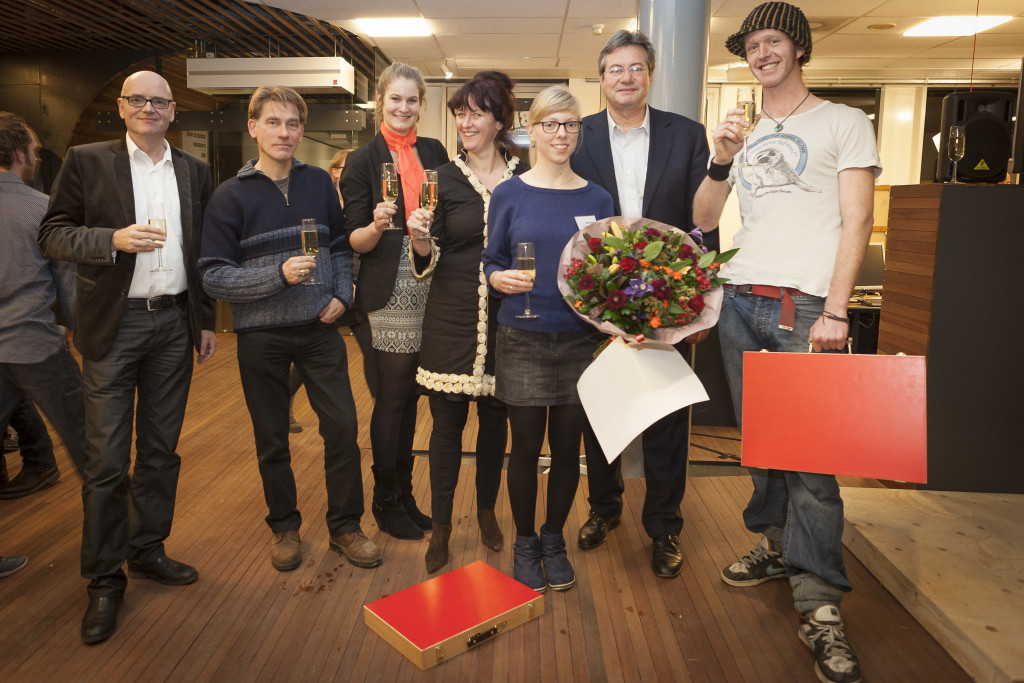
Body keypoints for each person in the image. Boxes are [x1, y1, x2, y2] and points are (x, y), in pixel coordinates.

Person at [692, 4, 880, 682]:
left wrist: (836, 310)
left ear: (799, 47)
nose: (762, 53)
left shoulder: (843, 122)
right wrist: (721, 158)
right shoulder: (745, 132)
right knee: (764, 445)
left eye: (773, 41)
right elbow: (704, 219)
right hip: (741, 300)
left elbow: (858, 220)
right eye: (752, 46)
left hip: (806, 310)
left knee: (813, 462)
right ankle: (778, 547)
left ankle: (821, 601)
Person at [38, 71, 217, 644]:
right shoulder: (87, 161)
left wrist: (205, 319)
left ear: (173, 111)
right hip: (115, 326)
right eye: (137, 99)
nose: (148, 108)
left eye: (158, 101)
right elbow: (52, 234)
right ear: (121, 107)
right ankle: (104, 578)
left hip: (174, 323)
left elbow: (202, 250)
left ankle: (147, 549)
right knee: (108, 461)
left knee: (161, 452)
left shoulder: (193, 170)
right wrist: (110, 240)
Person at [200, 86, 381, 573]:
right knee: (272, 437)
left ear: (302, 131)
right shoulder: (229, 195)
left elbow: (339, 247)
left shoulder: (318, 182)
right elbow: (213, 276)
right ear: (253, 128)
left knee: (342, 428)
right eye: (273, 122)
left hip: (319, 330)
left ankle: (345, 527)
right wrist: (277, 275)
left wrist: (341, 295)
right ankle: (284, 527)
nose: (284, 132)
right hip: (261, 337)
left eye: (293, 124)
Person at [570, 29, 711, 579]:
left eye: (636, 68)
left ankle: (664, 527)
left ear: (650, 75)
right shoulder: (577, 134)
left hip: (668, 296)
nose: (626, 77)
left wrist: (703, 300)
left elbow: (704, 221)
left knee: (667, 418)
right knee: (602, 407)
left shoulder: (687, 134)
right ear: (601, 78)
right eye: (615, 69)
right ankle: (603, 508)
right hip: (597, 296)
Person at [482, 85, 612, 593]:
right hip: (523, 336)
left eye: (571, 125)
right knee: (524, 448)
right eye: (550, 124)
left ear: (579, 132)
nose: (561, 134)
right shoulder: (510, 194)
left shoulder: (597, 198)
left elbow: (606, 269)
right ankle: (524, 541)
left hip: (580, 340)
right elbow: (492, 261)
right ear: (531, 131)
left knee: (566, 448)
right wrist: (498, 279)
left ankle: (553, 539)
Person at [408, 71, 526, 573]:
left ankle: (485, 511)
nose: (466, 122)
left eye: (476, 113)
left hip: (509, 318)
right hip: (450, 316)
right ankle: (440, 528)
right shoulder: (436, 179)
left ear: (500, 120)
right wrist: (418, 239)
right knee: (446, 429)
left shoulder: (526, 178)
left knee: (496, 424)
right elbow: (426, 256)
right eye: (460, 113)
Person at [339, 63, 447, 541]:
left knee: (413, 397)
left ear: (421, 105)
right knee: (392, 397)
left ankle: (405, 493)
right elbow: (354, 240)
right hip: (389, 287)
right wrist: (377, 225)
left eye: (412, 100)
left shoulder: (435, 151)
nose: (404, 108)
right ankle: (385, 500)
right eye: (395, 99)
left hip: (432, 279)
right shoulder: (362, 160)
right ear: (380, 101)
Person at [0, 111, 84, 500]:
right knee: (88, 443)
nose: (36, 158)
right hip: (36, 346)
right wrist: (90, 342)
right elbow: (70, 286)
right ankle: (124, 528)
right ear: (19, 154)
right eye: (34, 151)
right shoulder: (43, 209)